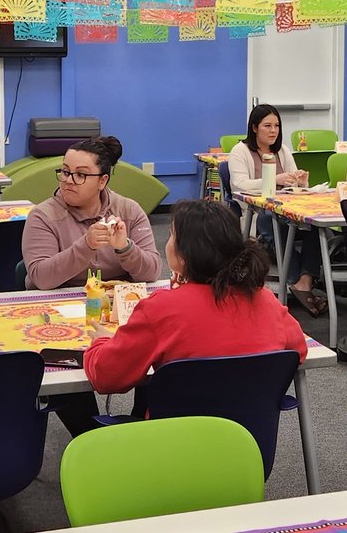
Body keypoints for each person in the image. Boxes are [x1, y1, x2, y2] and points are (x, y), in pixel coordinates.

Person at [82, 198, 308, 394]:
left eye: (170, 236)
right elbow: (297, 350)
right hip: (248, 438)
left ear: (184, 255)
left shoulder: (160, 308)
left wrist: (101, 341)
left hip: (175, 439)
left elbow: (106, 377)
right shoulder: (263, 298)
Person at [22, 136, 161, 289]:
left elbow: (152, 273)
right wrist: (87, 245)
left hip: (116, 301)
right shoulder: (43, 216)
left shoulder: (129, 211)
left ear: (102, 181)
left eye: (81, 175)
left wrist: (125, 248)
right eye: (66, 172)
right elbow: (41, 278)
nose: (69, 180)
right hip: (60, 302)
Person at [227, 104, 325, 316]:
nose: (273, 131)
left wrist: (302, 182)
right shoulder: (240, 151)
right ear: (254, 128)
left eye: (277, 126)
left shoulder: (283, 151)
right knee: (268, 218)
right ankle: (298, 282)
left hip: (289, 211)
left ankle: (304, 282)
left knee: (315, 225)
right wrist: (274, 179)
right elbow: (240, 184)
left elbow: (294, 186)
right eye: (267, 126)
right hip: (258, 215)